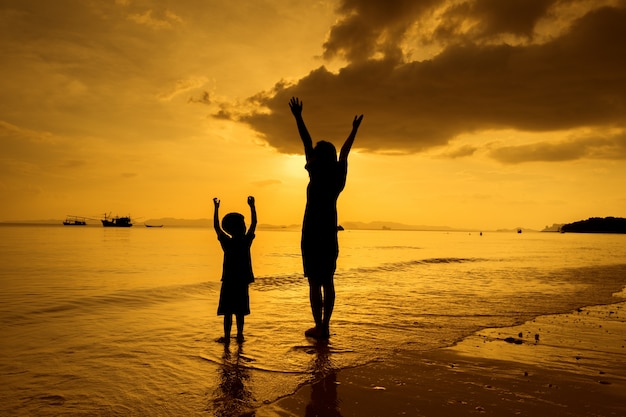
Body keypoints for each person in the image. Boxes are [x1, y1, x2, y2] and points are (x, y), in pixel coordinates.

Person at [288, 96, 363, 339]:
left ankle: (319, 325)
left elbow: (306, 142)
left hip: (311, 232)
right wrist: (353, 131)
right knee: (327, 281)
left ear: (317, 158)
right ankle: (325, 326)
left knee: (314, 283)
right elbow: (345, 152)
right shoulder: (338, 176)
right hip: (328, 233)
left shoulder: (317, 172)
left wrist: (298, 117)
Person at [213, 196, 257, 344]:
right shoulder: (245, 242)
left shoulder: (227, 242)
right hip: (241, 281)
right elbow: (254, 224)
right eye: (243, 224)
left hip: (229, 281)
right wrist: (252, 206)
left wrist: (216, 208)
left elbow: (217, 227)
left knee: (228, 312)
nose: (245, 226)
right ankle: (239, 335)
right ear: (240, 228)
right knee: (240, 311)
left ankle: (227, 337)